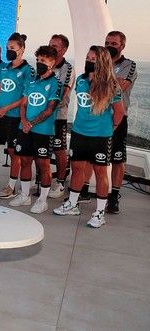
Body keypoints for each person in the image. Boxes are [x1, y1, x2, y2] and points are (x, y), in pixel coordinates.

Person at [54, 45, 124, 228]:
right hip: (79, 133)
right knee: (77, 169)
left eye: (93, 59)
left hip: (101, 137)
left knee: (100, 173)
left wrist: (110, 129)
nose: (89, 61)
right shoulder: (81, 81)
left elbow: (119, 112)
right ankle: (72, 204)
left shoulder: (112, 85)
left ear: (101, 62)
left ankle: (100, 212)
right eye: (88, 58)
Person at [9, 45, 60, 213]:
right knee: (24, 161)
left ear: (52, 62)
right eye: (38, 60)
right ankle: (25, 195)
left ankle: (42, 200)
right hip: (24, 129)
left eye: (43, 61)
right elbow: (23, 104)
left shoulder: (55, 83)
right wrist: (24, 121)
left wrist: (31, 123)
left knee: (43, 165)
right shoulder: (31, 81)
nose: (39, 63)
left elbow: (50, 109)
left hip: (43, 132)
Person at [0, 33, 33, 198]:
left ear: (21, 49)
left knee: (14, 153)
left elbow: (25, 98)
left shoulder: (28, 70)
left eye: (12, 48)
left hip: (14, 117)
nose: (9, 51)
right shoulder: (3, 67)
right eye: (7, 48)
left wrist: (6, 108)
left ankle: (11, 186)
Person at [104, 30, 136, 214]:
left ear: (122, 46)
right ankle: (82, 190)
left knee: (117, 158)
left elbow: (121, 86)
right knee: (91, 158)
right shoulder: (99, 63)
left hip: (118, 117)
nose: (109, 46)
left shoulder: (129, 65)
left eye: (114, 43)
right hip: (98, 118)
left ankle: (114, 196)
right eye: (107, 42)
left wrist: (102, 81)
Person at [48, 34, 74, 199]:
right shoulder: (44, 64)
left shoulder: (68, 68)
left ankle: (60, 182)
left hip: (58, 116)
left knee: (59, 149)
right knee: (42, 149)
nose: (51, 48)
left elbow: (61, 93)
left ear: (64, 50)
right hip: (42, 117)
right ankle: (42, 179)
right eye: (50, 44)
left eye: (55, 46)